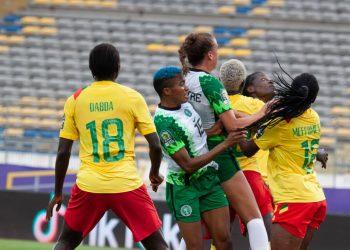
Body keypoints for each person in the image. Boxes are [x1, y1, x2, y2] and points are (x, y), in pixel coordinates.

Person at [46, 43, 168, 250]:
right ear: (118, 67)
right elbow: (156, 146)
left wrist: (58, 192)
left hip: (89, 185)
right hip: (126, 184)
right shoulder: (132, 97)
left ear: (91, 69)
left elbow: (63, 152)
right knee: (157, 245)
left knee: (66, 241)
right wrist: (154, 173)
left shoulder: (75, 99)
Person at [179, 32, 269, 250]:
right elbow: (233, 126)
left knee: (200, 227)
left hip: (194, 155)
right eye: (217, 49)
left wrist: (208, 129)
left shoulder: (184, 80)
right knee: (254, 218)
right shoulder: (211, 83)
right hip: (220, 155)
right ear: (210, 55)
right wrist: (264, 111)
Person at [153, 66, 246, 250]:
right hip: (184, 187)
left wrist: (216, 128)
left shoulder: (186, 104)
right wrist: (226, 144)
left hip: (209, 180)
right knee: (195, 247)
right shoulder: (164, 123)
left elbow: (198, 133)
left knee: (224, 241)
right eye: (181, 84)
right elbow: (187, 165)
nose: (186, 87)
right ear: (167, 91)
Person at [239, 71, 327, 250]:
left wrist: (233, 125)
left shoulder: (281, 123)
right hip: (315, 197)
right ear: (313, 98)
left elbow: (248, 149)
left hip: (293, 199)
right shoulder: (314, 117)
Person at [219, 59, 274, 240]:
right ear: (243, 83)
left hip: (221, 173)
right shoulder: (255, 105)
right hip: (249, 173)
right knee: (263, 228)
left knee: (221, 234)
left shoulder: (215, 103)